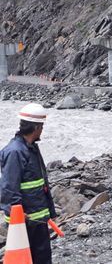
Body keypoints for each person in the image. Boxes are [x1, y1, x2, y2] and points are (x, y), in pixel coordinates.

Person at [0, 103, 57, 264]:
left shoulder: (29, 148)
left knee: (41, 256)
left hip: (36, 217)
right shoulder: (16, 152)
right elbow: (9, 186)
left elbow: (40, 184)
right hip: (26, 219)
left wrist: (49, 213)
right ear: (37, 127)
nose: (42, 130)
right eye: (42, 127)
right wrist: (16, 211)